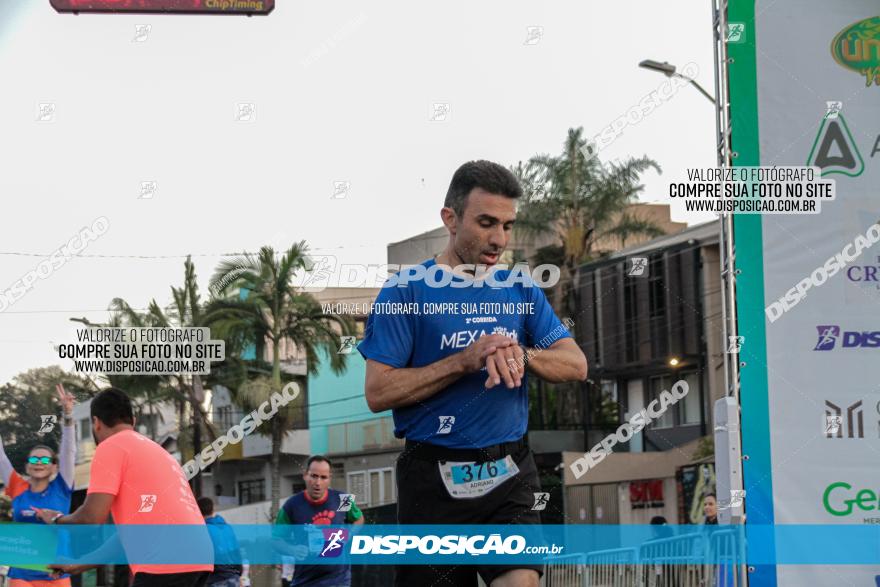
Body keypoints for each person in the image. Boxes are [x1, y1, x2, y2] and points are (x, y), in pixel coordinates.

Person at [358, 160, 589, 587]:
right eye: (486, 223)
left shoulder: (520, 289)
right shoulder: (406, 291)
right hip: (432, 480)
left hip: (509, 469)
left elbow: (575, 364)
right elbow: (378, 390)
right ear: (450, 218)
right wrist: (466, 360)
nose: (498, 238)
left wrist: (521, 353)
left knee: (521, 581)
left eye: (507, 225)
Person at [33, 387, 213, 587]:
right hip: (200, 558)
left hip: (165, 560)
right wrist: (79, 564)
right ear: (133, 421)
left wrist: (57, 519)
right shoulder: (159, 452)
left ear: (96, 423)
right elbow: (128, 535)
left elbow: (91, 517)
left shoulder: (110, 446)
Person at [0, 384, 77, 587]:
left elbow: (69, 452)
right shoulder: (18, 487)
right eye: (34, 460)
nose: (39, 464)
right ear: (27, 466)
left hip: (56, 575)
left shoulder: (61, 488)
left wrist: (68, 415)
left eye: (45, 460)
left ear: (54, 467)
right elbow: (0, 457)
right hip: (21, 577)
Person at [274, 455, 364, 586]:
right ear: (305, 475)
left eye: (323, 477)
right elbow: (276, 540)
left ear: (329, 479)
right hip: (305, 579)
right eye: (314, 476)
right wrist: (292, 550)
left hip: (338, 578)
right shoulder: (291, 506)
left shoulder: (343, 499)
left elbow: (359, 519)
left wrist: (348, 535)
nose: (318, 482)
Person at [197, 497, 242, 587]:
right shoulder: (227, 528)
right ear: (213, 509)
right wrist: (238, 575)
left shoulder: (202, 530)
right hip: (233, 578)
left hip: (215, 579)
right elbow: (236, 553)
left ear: (197, 510)